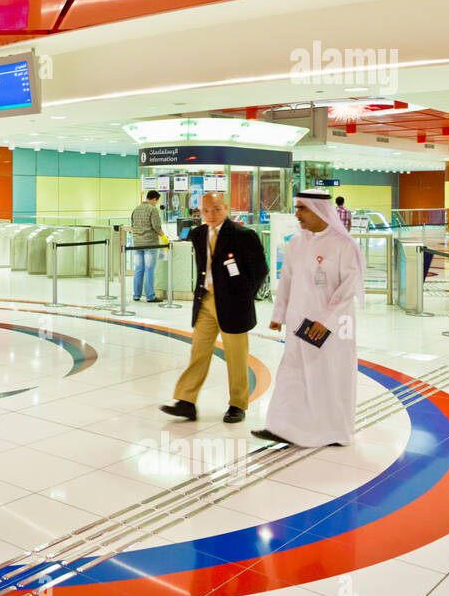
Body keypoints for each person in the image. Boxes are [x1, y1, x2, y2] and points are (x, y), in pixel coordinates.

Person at [254, 189, 365, 447]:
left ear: (318, 209)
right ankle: (281, 427)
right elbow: (287, 280)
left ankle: (336, 432)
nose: (297, 214)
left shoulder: (343, 245)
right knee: (291, 374)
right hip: (298, 323)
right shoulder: (296, 242)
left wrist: (325, 320)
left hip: (333, 327)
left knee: (330, 377)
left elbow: (348, 288)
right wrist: (279, 314)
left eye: (302, 208)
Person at [161, 191, 268, 424]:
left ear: (226, 208)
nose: (210, 214)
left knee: (236, 357)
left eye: (216, 209)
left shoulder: (243, 235)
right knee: (198, 351)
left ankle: (238, 404)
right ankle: (186, 401)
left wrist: (243, 296)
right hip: (206, 302)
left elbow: (259, 271)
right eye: (206, 210)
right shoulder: (198, 234)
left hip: (234, 304)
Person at [130, 190, 164, 302]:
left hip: (137, 244)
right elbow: (157, 227)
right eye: (156, 201)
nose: (156, 203)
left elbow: (132, 225)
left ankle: (136, 295)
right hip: (150, 244)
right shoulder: (153, 209)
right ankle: (150, 296)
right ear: (154, 199)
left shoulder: (137, 209)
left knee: (139, 269)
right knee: (149, 270)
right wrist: (164, 237)